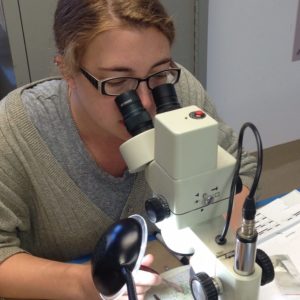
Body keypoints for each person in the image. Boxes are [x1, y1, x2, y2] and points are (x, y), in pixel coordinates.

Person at [0, 0, 257, 299]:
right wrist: (86, 283)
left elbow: (241, 171)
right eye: (118, 82)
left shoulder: (180, 92)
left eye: (159, 75)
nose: (147, 103)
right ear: (67, 70)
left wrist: (218, 242)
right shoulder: (14, 130)